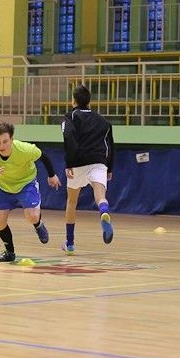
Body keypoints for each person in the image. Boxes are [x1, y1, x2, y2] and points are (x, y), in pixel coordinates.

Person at [0, 122, 61, 262]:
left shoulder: (23, 149)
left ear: (11, 139)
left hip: (26, 184)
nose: (1, 146)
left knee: (32, 216)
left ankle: (38, 224)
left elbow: (42, 156)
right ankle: (9, 253)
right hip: (3, 187)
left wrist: (52, 175)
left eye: (5, 141)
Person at [61, 84, 115, 254]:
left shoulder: (70, 117)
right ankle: (104, 211)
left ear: (73, 101)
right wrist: (109, 168)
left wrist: (69, 163)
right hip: (99, 162)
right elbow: (110, 145)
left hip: (78, 163)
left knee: (72, 202)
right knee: (100, 196)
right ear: (89, 102)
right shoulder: (103, 121)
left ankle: (70, 243)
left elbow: (69, 138)